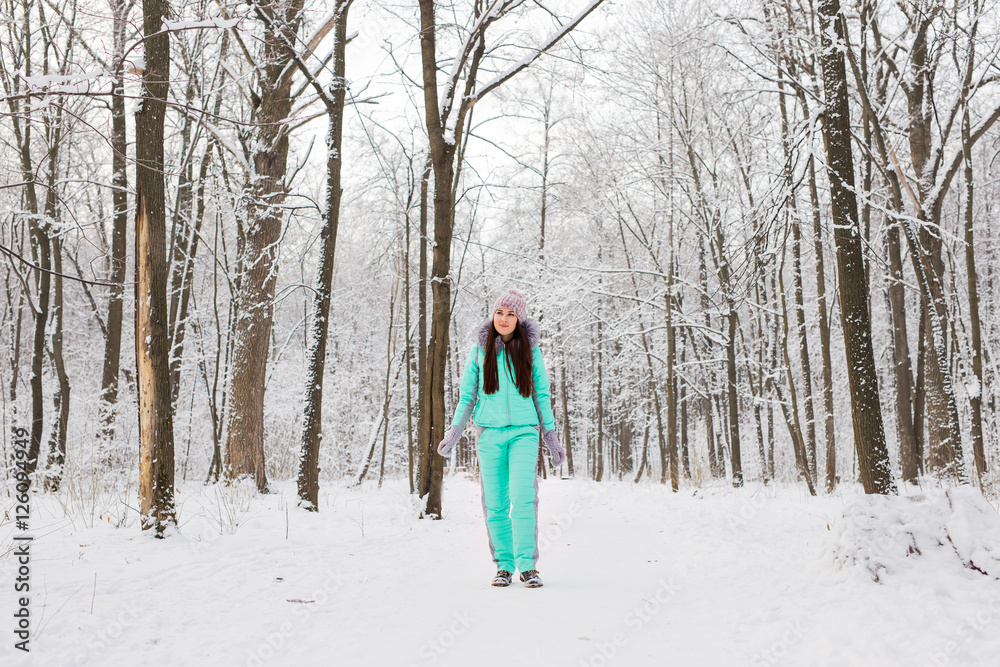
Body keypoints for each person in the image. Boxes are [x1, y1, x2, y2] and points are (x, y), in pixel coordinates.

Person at [437, 289, 565, 588]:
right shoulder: (479, 352)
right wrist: (454, 432)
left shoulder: (531, 352)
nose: (504, 319)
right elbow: (468, 396)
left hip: (524, 432)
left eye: (511, 314)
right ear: (492, 316)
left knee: (523, 499)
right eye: (499, 313)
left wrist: (550, 436)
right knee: (494, 503)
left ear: (520, 319)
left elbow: (541, 395)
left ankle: (528, 566)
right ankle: (504, 566)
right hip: (489, 434)